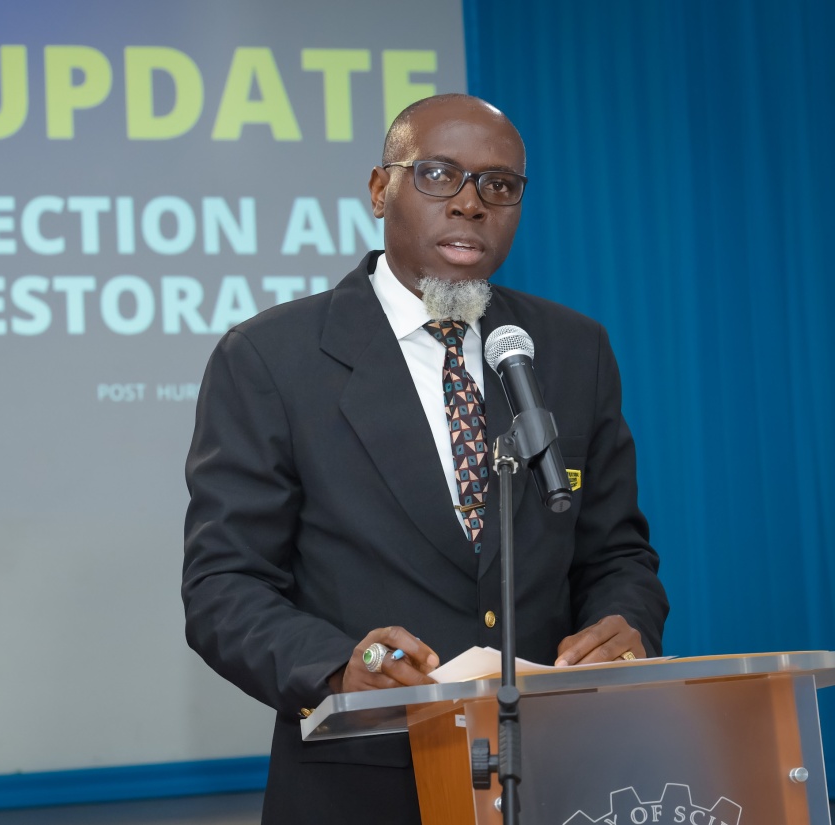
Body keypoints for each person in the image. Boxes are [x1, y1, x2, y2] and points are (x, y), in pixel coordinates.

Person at [182, 94, 668, 824]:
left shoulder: (572, 350)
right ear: (381, 190)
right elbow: (225, 585)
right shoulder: (270, 358)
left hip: (556, 777)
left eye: (499, 186)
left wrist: (625, 623)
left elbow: (617, 553)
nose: (471, 204)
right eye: (440, 175)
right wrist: (338, 666)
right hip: (362, 784)